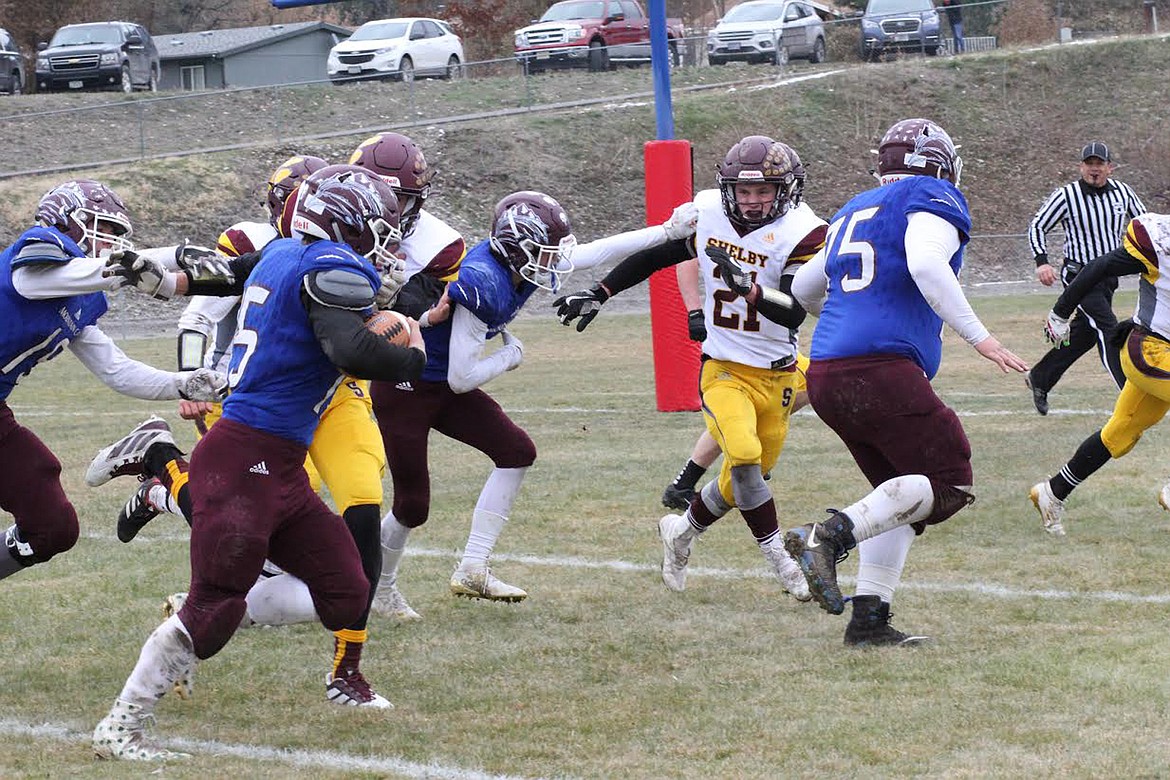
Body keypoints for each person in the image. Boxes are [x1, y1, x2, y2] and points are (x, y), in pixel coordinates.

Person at [91, 166, 427, 761]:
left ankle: (344, 680)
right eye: (377, 225)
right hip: (246, 451)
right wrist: (412, 356)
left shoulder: (282, 254)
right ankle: (121, 725)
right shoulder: (333, 264)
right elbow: (349, 348)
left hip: (279, 463)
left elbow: (226, 275)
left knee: (348, 584)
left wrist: (166, 282)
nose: (386, 238)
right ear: (348, 226)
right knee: (216, 605)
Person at [782, 118, 1028, 646]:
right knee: (949, 482)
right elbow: (924, 261)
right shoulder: (932, 193)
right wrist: (980, 338)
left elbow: (804, 286)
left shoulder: (854, 207)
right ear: (941, 165)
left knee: (895, 498)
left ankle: (869, 621)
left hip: (827, 372)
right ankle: (824, 537)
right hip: (881, 370)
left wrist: (852, 312)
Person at [554, 135, 828, 601]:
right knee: (741, 456)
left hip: (779, 371)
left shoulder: (806, 232)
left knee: (744, 481)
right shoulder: (709, 213)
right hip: (724, 367)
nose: (753, 201)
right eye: (743, 192)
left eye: (764, 192)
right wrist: (599, 292)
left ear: (787, 190)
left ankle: (680, 531)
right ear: (727, 190)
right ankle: (781, 559)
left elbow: (795, 309)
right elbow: (656, 256)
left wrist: (751, 291)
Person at [0, 179, 225, 583]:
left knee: (52, 527)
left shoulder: (79, 298)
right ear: (66, 223)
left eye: (116, 236)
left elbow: (117, 370)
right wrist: (170, 256)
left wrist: (185, 383)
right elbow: (31, 282)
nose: (109, 244)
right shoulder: (36, 253)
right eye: (102, 230)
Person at [1030, 213, 1170, 536]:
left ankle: (1052, 492)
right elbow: (1100, 267)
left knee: (1120, 431)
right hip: (1148, 348)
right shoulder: (1160, 241)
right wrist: (1061, 311)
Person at [1025, 141, 1146, 415]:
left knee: (1084, 336)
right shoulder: (1066, 195)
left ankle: (1040, 377)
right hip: (1079, 275)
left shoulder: (1123, 193)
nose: (1094, 169)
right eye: (1089, 164)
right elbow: (1038, 225)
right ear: (1081, 167)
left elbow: (1144, 222)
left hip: (1108, 277)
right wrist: (1041, 262)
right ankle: (1129, 393)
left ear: (1110, 167)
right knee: (1107, 328)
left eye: (1099, 164)